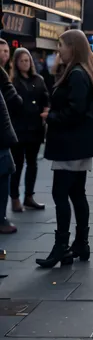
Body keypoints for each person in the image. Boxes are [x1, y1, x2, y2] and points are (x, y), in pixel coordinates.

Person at [36, 30, 93, 268]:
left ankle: (62, 247)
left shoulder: (76, 74)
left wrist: (50, 116)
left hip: (70, 145)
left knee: (61, 193)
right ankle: (80, 243)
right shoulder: (83, 71)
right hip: (78, 145)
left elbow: (75, 111)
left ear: (73, 47)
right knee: (76, 194)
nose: (59, 51)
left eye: (61, 46)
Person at [9, 48, 49, 212]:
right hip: (18, 128)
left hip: (35, 127)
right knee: (17, 164)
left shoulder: (38, 79)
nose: (25, 63)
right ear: (16, 63)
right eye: (22, 60)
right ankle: (15, 197)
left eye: (27, 60)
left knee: (32, 163)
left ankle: (29, 196)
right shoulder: (13, 82)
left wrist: (46, 110)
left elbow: (45, 97)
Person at [0, 39, 23, 234]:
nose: (4, 55)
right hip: (2, 136)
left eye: (7, 51)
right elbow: (14, 101)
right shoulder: (3, 76)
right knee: (5, 172)